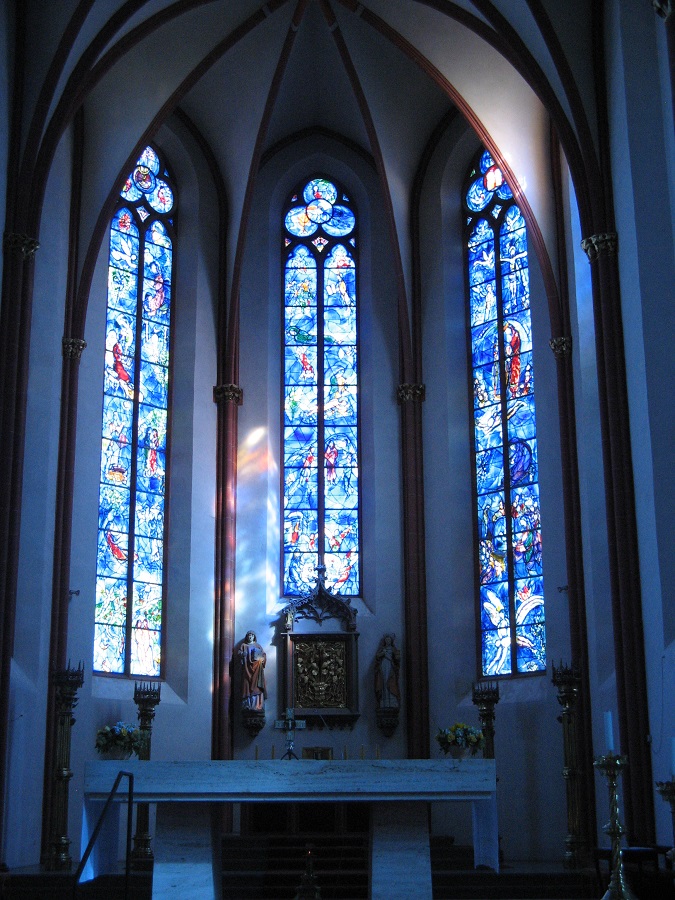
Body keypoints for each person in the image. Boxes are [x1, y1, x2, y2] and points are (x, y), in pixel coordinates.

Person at [239, 631, 267, 711]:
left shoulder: (257, 645)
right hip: (247, 669)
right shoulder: (243, 645)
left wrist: (262, 659)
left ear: (254, 637)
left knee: (257, 686)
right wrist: (242, 654)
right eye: (249, 635)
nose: (250, 637)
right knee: (246, 686)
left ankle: (257, 705)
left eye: (252, 635)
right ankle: (248, 705)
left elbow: (263, 655)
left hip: (257, 669)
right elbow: (240, 654)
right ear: (247, 637)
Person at [375, 634, 401, 710]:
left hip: (390, 666)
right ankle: (384, 701)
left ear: (391, 641)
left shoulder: (393, 649)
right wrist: (382, 653)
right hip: (383, 666)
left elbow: (397, 659)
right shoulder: (382, 649)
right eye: (386, 639)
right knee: (383, 682)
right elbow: (377, 656)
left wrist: (396, 657)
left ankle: (392, 701)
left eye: (389, 639)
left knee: (391, 681)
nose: (388, 641)